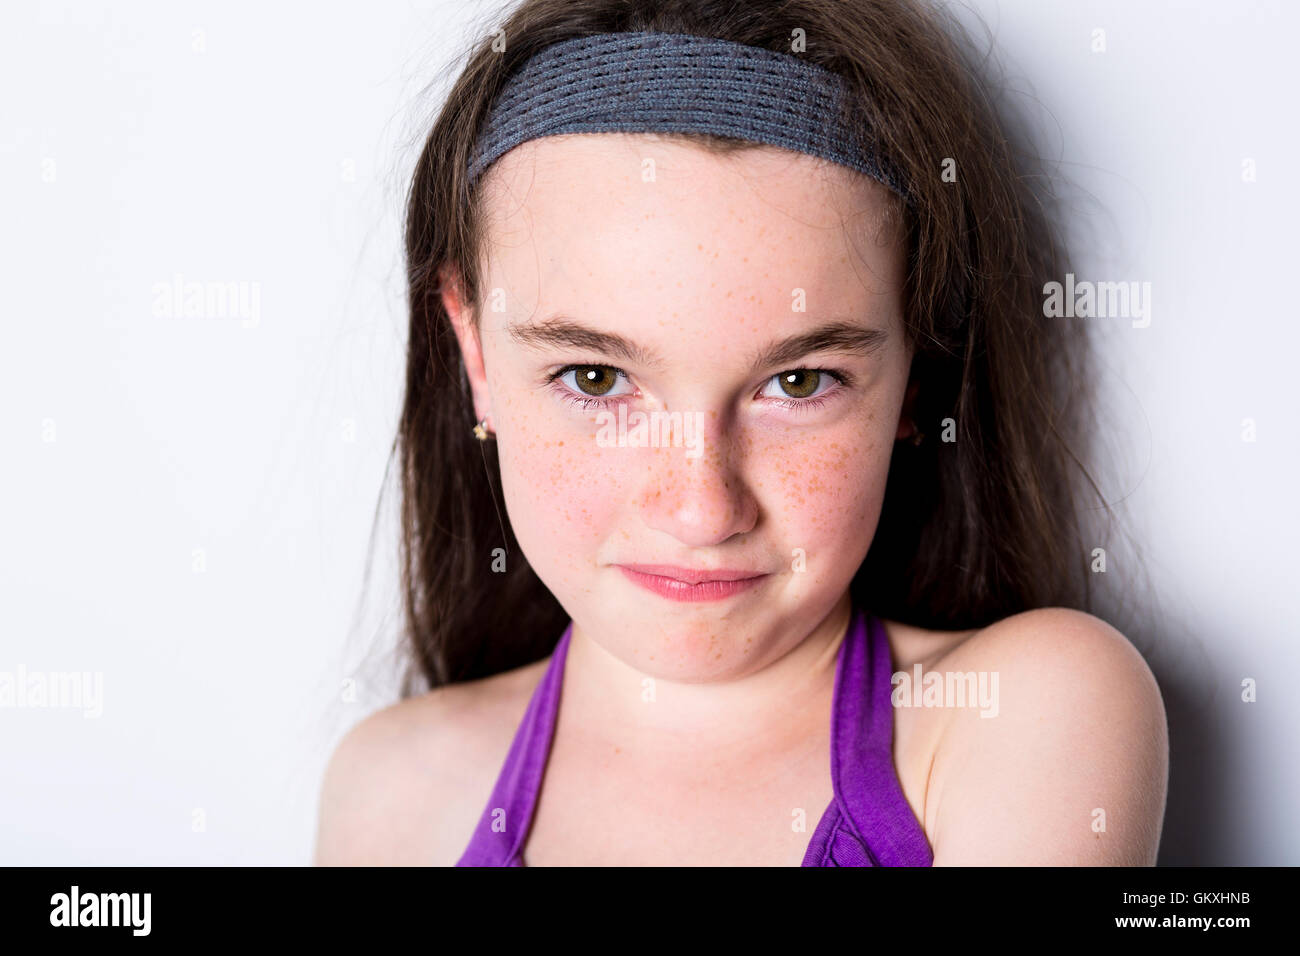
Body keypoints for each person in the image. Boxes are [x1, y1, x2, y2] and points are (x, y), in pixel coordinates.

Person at [314, 0, 1169, 866]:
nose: (702, 509)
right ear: (477, 358)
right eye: (596, 379)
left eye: (797, 383)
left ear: (915, 373)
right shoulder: (391, 796)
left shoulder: (1024, 716)